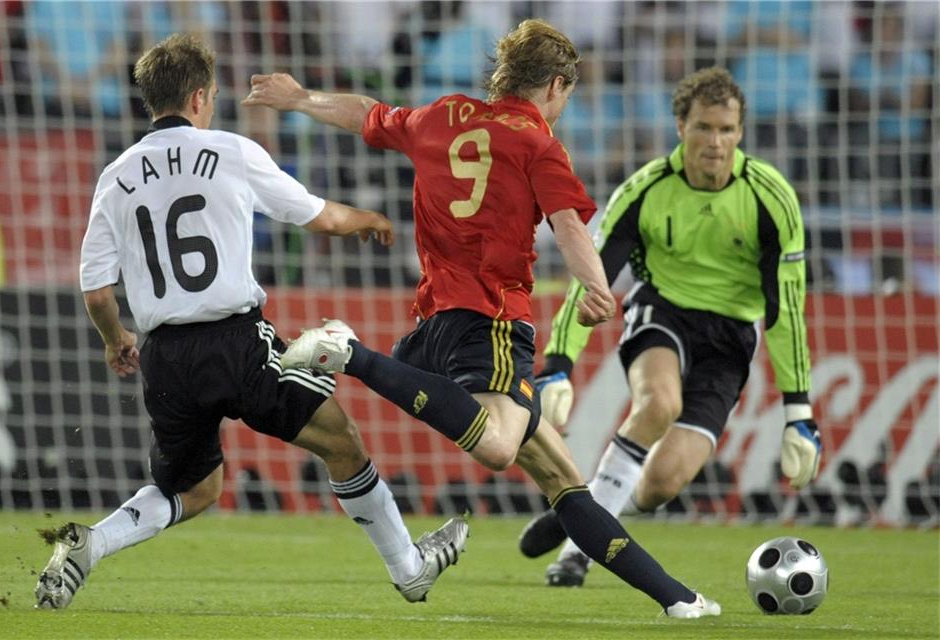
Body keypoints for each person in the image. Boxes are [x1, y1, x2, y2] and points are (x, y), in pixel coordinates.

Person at [243, 19, 719, 618]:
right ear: (553, 85)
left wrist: (299, 98)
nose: (565, 107)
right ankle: (350, 352)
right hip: (491, 324)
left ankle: (677, 599)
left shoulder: (442, 116)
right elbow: (569, 226)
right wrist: (598, 289)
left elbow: (369, 113)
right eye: (567, 95)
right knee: (497, 447)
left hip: (432, 330)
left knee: (561, 476)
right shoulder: (538, 143)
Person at [34, 33, 468, 610]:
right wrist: (366, 217)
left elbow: (96, 290)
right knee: (342, 441)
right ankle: (409, 569)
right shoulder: (230, 151)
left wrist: (117, 340)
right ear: (198, 96)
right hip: (236, 344)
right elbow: (315, 215)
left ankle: (89, 545)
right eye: (211, 95)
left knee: (195, 488)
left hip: (164, 356)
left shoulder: (116, 175)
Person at [518, 66, 822, 587]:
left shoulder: (771, 199)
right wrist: (558, 365)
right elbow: (592, 279)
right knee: (659, 404)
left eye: (727, 129)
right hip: (662, 312)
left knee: (663, 482)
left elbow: (784, 310)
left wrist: (800, 411)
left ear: (741, 132)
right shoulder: (645, 190)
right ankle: (577, 550)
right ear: (681, 126)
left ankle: (588, 508)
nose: (715, 142)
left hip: (729, 339)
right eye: (704, 127)